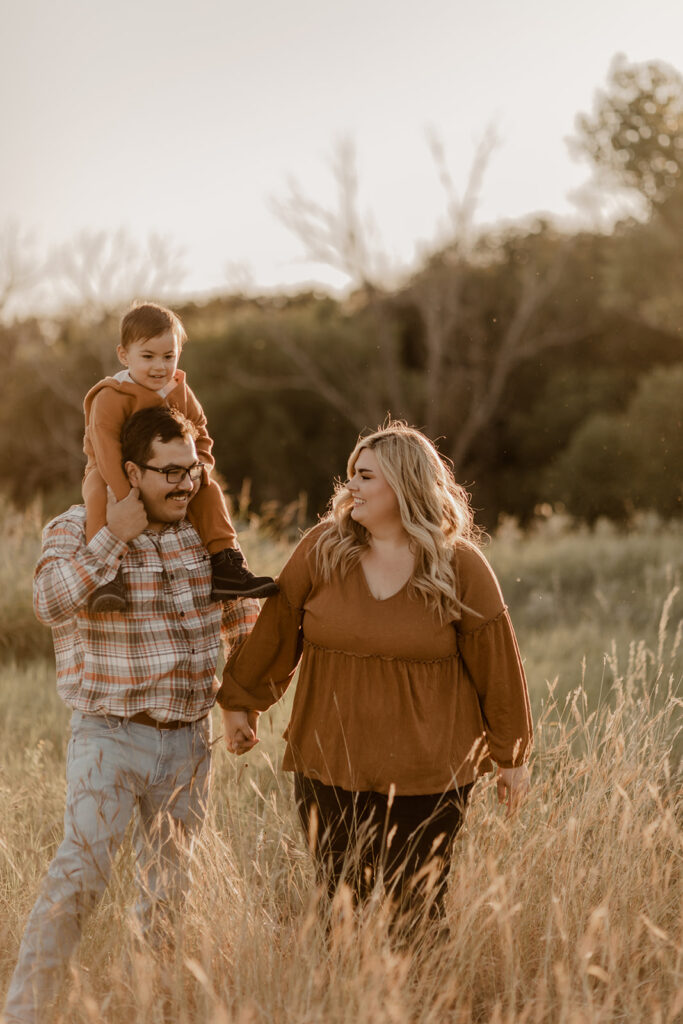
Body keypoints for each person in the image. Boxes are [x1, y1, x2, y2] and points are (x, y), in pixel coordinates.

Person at [218, 421, 533, 935]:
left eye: (365, 476)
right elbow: (277, 629)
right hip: (328, 765)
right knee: (337, 910)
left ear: (405, 485)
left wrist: (511, 755)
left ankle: (421, 1011)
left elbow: (497, 664)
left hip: (429, 774)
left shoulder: (461, 565)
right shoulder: (323, 548)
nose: (351, 488)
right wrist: (240, 703)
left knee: (417, 915)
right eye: (350, 476)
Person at [3, 406, 261, 1024]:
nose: (185, 484)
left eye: (191, 470)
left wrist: (240, 702)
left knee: (168, 894)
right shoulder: (77, 526)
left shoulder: (204, 533)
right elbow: (46, 602)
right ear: (129, 470)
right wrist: (112, 536)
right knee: (78, 882)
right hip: (109, 738)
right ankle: (22, 1015)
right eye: (168, 472)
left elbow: (241, 620)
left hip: (188, 743)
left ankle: (145, 1010)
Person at [82, 300, 277, 612]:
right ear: (124, 355)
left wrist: (200, 469)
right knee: (95, 493)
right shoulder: (112, 395)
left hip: (172, 471)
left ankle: (226, 563)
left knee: (210, 492)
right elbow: (106, 451)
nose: (160, 366)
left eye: (168, 356)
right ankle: (107, 577)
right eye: (147, 357)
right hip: (110, 469)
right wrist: (124, 497)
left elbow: (199, 429)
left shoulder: (178, 390)